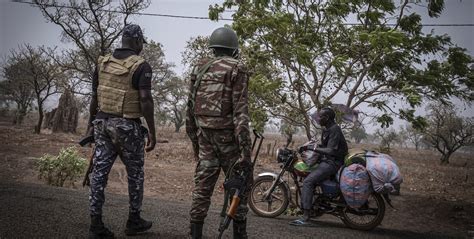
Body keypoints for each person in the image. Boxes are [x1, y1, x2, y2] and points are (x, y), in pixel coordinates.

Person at [86, 24, 156, 238]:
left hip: (102, 124)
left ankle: (95, 224)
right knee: (135, 175)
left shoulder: (102, 63)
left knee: (99, 174)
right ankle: (133, 220)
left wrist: (90, 125)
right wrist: (152, 131)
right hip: (128, 127)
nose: (141, 47)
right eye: (141, 43)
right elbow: (145, 99)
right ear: (136, 42)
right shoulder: (142, 67)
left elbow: (95, 98)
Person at [185, 27, 253, 239]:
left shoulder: (200, 67)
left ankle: (194, 234)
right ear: (234, 49)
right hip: (229, 141)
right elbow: (241, 114)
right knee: (240, 185)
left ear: (213, 48)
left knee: (202, 188)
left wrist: (196, 144)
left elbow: (189, 110)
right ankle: (239, 235)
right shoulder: (237, 68)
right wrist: (246, 153)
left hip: (204, 137)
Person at [290, 107, 348, 226]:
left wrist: (312, 148)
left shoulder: (334, 129)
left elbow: (331, 150)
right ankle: (315, 205)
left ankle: (306, 217)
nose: (318, 118)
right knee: (310, 175)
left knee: (308, 182)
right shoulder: (327, 129)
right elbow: (324, 145)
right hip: (327, 161)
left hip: (332, 163)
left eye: (320, 116)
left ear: (326, 118)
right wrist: (307, 146)